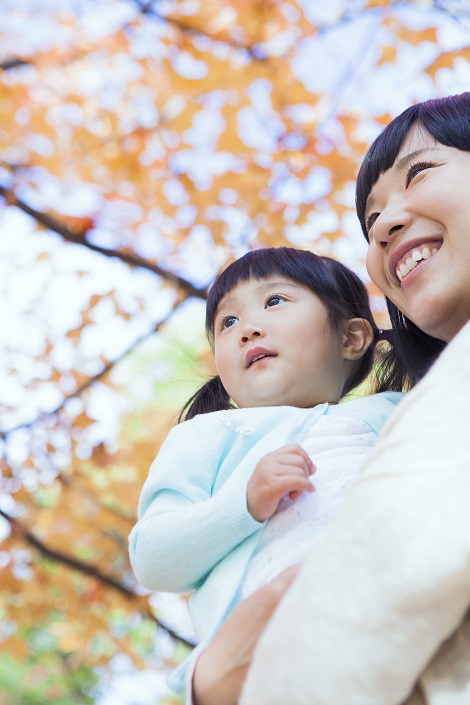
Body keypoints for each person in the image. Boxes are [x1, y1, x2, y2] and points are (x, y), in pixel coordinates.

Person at [192, 92, 470, 705]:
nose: (384, 224)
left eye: (420, 171)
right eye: (371, 218)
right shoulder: (421, 413)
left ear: (353, 338)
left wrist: (221, 681)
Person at [128, 247, 405, 698]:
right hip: (275, 658)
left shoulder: (391, 414)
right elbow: (153, 558)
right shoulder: (211, 435)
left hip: (403, 614)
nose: (247, 328)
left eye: (274, 301)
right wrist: (242, 505)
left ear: (352, 338)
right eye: (227, 322)